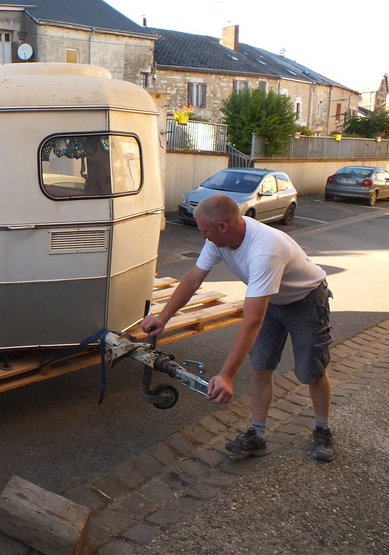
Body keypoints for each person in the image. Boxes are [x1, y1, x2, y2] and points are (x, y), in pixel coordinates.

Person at [142, 193, 334, 461]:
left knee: (311, 371)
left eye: (206, 231)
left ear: (223, 227)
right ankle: (257, 435)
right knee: (261, 366)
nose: (203, 237)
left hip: (306, 301)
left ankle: (322, 429)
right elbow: (193, 278)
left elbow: (253, 319)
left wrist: (227, 376)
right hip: (272, 301)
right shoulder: (218, 241)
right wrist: (163, 317)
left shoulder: (265, 250)